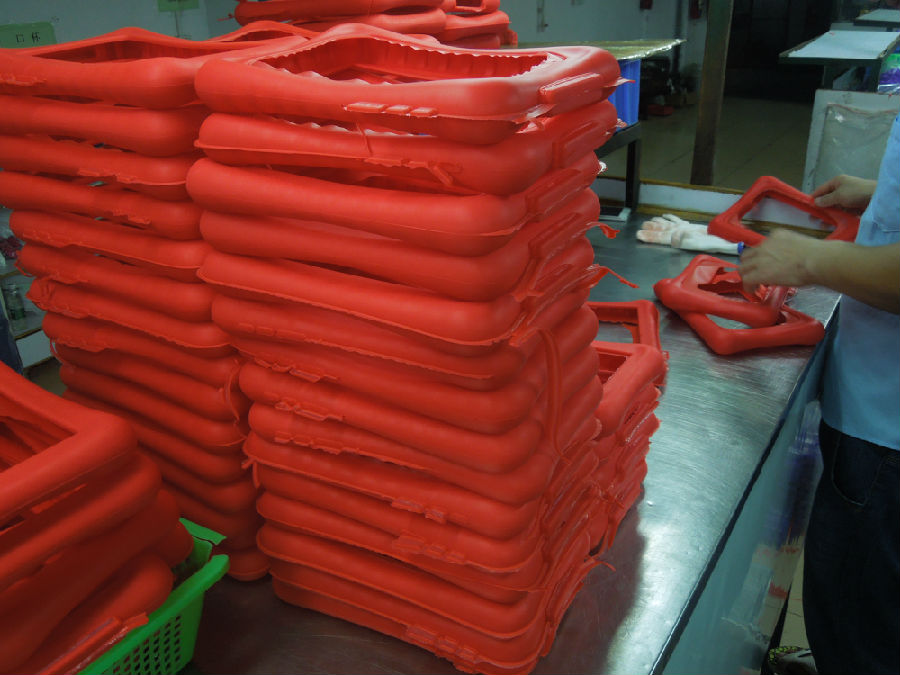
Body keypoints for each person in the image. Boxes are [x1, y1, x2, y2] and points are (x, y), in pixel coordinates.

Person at [739, 113, 899, 675]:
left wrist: (810, 259)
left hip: (888, 434)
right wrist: (882, 195)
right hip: (878, 408)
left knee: (860, 628)